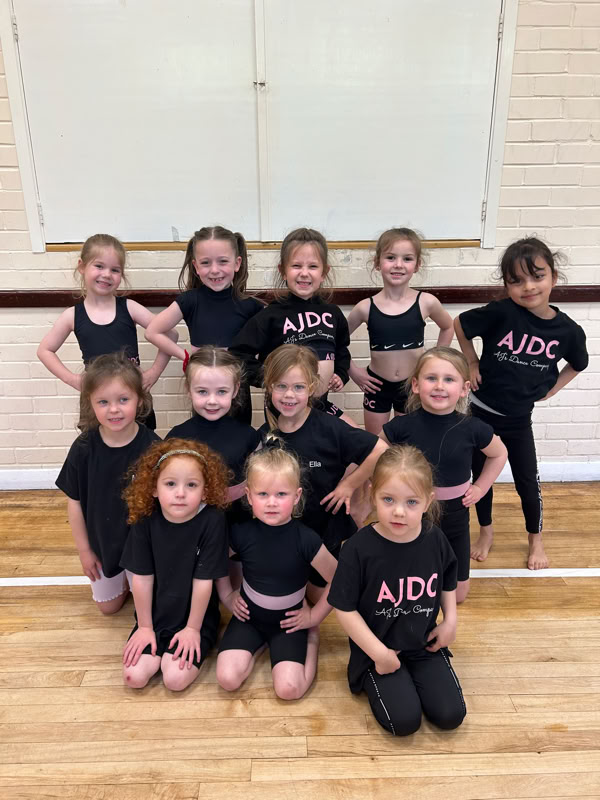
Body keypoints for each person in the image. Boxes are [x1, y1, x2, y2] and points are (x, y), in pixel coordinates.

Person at [454, 237, 589, 569]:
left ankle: (535, 540)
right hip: (480, 414)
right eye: (517, 281)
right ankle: (485, 531)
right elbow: (460, 324)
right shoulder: (501, 313)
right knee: (479, 477)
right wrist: (471, 361)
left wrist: (554, 388)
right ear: (506, 285)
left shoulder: (568, 331)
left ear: (553, 277)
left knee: (527, 482)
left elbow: (578, 363)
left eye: (537, 276)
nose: (528, 287)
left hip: (517, 421)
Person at [329, 445, 466, 736]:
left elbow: (447, 579)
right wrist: (378, 653)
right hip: (377, 650)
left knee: (450, 716)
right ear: (372, 494)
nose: (399, 511)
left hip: (423, 644)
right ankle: (376, 675)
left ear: (428, 501)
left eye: (411, 502)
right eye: (388, 499)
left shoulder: (435, 539)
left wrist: (450, 621)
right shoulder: (358, 548)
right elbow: (344, 608)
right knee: (404, 722)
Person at [380, 347, 507, 602]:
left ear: (464, 388)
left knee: (458, 595)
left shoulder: (473, 428)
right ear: (416, 385)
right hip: (414, 514)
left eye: (449, 379)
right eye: (431, 378)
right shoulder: (401, 426)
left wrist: (480, 487)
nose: (439, 386)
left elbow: (499, 453)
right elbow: (375, 454)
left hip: (455, 516)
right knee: (408, 587)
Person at [259, 344, 388, 595]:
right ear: (270, 387)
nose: (289, 395)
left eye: (298, 387)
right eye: (281, 386)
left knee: (320, 595)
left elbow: (380, 450)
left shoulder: (329, 428)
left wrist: (349, 485)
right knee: (287, 592)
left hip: (324, 529)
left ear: (311, 388)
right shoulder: (266, 435)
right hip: (283, 532)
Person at [216, 448, 337, 699]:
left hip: (290, 622)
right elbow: (215, 561)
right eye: (263, 494)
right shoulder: (242, 533)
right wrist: (227, 595)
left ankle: (311, 641)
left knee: (289, 690)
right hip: (248, 617)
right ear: (249, 496)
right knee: (227, 679)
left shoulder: (306, 540)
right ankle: (260, 643)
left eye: (281, 494)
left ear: (296, 496)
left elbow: (339, 579)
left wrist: (314, 616)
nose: (271, 502)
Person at [120, 438, 230, 691]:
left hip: (195, 617)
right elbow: (142, 578)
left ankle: (197, 635)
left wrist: (192, 629)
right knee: (134, 677)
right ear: (154, 488)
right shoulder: (146, 518)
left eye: (191, 485)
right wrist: (145, 627)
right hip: (155, 617)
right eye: (170, 484)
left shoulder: (212, 520)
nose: (180, 493)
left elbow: (203, 581)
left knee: (175, 680)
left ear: (205, 491)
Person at [37, 233, 177, 430]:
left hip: (132, 398)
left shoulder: (129, 308)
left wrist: (154, 372)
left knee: (143, 447)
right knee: (98, 447)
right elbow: (44, 350)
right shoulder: (72, 316)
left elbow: (170, 334)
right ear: (82, 266)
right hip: (97, 401)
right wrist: (74, 380)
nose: (106, 274)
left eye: (115, 270)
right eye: (99, 266)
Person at [55, 352, 159, 614]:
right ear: (90, 403)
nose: (114, 409)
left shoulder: (153, 447)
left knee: (151, 607)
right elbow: (74, 503)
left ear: (139, 399)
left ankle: (135, 579)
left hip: (144, 546)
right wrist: (84, 551)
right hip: (104, 543)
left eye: (123, 399)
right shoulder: (83, 448)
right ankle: (121, 580)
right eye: (103, 401)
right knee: (108, 609)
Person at [230, 227, 355, 422]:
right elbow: (238, 354)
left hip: (320, 406)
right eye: (296, 266)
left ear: (324, 272)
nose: (304, 273)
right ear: (283, 271)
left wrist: (340, 373)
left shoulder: (333, 313)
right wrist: (269, 378)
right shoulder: (270, 316)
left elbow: (341, 350)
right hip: (284, 410)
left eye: (313, 266)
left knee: (356, 432)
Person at [145, 226, 264, 424]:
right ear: (196, 266)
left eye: (223, 261)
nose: (214, 270)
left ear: (237, 263)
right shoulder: (190, 300)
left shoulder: (250, 305)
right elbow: (152, 331)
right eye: (206, 263)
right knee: (203, 437)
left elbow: (269, 343)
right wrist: (185, 356)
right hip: (203, 387)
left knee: (240, 435)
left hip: (237, 389)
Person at [347, 228, 454, 434]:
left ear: (417, 265)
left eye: (407, 258)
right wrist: (353, 371)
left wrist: (434, 361)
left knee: (408, 442)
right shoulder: (365, 307)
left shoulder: (426, 302)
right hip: (376, 386)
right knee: (376, 442)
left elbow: (448, 326)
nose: (398, 264)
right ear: (377, 263)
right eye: (390, 257)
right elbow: (337, 339)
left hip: (411, 385)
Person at [165, 347, 260, 522]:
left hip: (237, 527)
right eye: (202, 391)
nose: (212, 400)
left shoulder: (249, 437)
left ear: (235, 389)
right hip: (191, 528)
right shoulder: (176, 438)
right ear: (189, 389)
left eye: (221, 391)